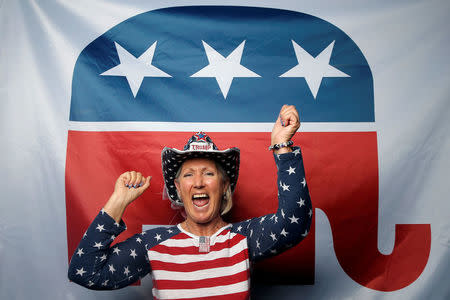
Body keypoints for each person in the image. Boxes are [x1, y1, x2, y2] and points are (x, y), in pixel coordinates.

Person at [68, 105, 312, 299]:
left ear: (224, 185)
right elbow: (86, 271)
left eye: (208, 173)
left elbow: (294, 224)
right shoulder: (155, 244)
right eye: (188, 174)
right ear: (178, 189)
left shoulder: (243, 238)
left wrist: (282, 146)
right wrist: (117, 201)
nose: (198, 182)